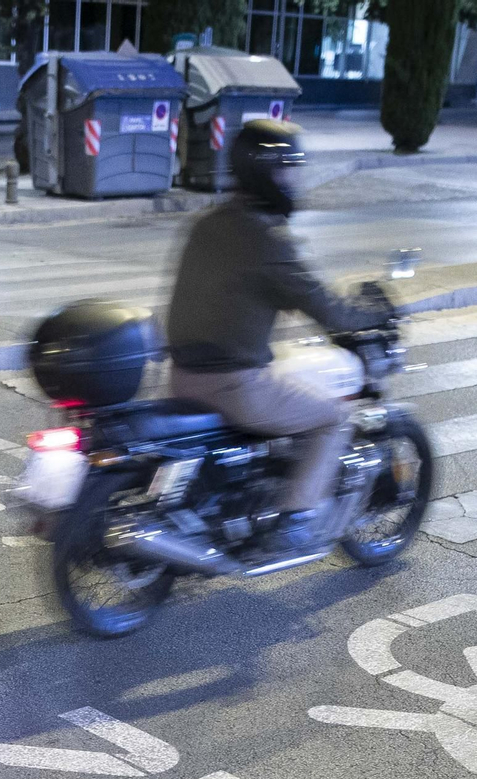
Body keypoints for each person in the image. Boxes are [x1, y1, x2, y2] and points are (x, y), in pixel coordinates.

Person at [164, 119, 388, 556]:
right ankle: (296, 519)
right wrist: (371, 314)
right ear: (268, 170)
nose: (293, 177)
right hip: (234, 387)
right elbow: (325, 307)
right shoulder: (267, 239)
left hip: (182, 378)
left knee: (287, 382)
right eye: (288, 167)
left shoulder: (206, 224)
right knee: (332, 418)